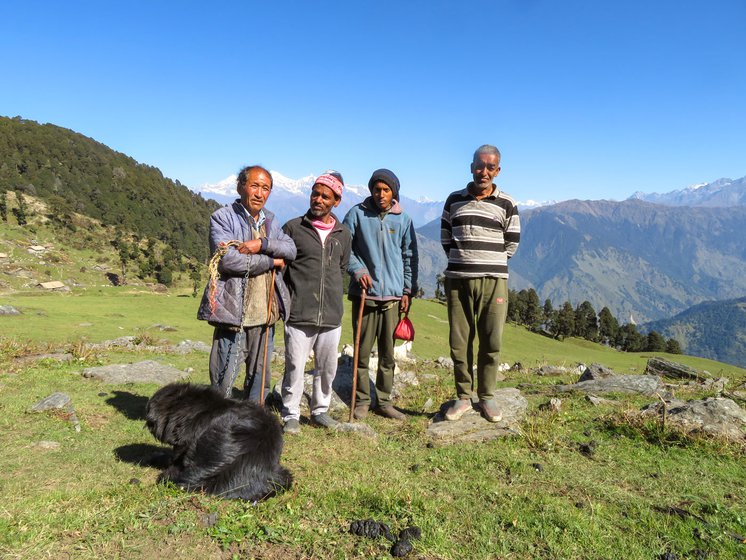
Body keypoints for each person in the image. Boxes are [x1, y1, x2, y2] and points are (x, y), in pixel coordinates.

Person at [197, 165, 296, 402]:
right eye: (254, 186)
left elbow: (291, 249)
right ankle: (217, 425)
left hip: (265, 314)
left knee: (259, 378)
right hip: (233, 315)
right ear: (241, 186)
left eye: (266, 188)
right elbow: (229, 261)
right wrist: (272, 261)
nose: (260, 193)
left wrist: (261, 244)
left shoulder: (270, 221)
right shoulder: (222, 218)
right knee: (223, 377)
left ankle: (253, 427)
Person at [440, 145, 520, 422]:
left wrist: (488, 261)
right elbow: (446, 238)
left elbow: (511, 244)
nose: (483, 171)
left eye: (490, 167)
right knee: (459, 341)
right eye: (479, 165)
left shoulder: (507, 203)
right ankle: (463, 396)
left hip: (494, 281)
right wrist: (466, 261)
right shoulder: (454, 200)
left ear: (498, 170)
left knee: (491, 339)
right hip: (458, 280)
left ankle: (486, 397)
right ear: (471, 166)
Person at [343, 168, 418, 420]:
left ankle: (384, 401)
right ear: (371, 190)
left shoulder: (403, 219)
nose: (381, 194)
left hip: (393, 299)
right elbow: (345, 249)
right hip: (365, 294)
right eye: (377, 189)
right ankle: (362, 400)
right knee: (361, 353)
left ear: (394, 192)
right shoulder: (356, 214)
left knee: (387, 354)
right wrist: (357, 269)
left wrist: (407, 290)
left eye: (386, 190)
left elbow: (409, 256)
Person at [280, 173, 351, 434]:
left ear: (336, 201)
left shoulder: (343, 234)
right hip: (299, 311)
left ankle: (320, 410)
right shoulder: (293, 228)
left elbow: (341, 267)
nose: (318, 199)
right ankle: (291, 414)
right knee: (295, 366)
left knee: (327, 367)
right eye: (315, 193)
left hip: (331, 313)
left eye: (325, 196)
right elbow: (283, 269)